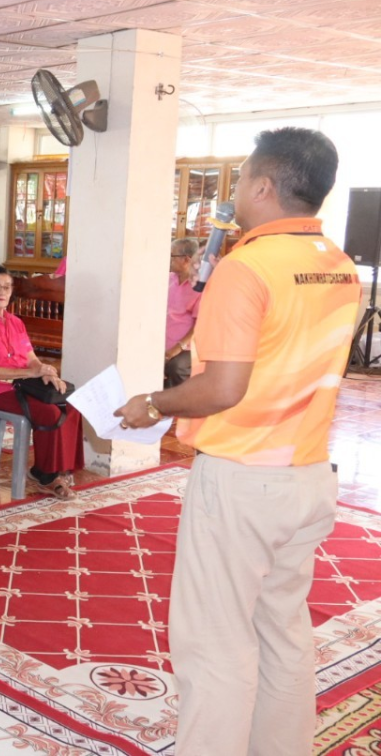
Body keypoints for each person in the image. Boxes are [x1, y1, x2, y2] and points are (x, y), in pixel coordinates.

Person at [116, 128, 359, 756]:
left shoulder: (246, 266)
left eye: (242, 177)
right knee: (282, 630)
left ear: (263, 185)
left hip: (244, 478)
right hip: (307, 474)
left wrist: (154, 405)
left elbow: (223, 388)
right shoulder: (338, 266)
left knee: (215, 642)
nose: (234, 192)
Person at [0, 267, 83, 498]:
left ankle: (57, 469)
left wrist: (46, 372)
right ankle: (47, 477)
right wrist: (31, 374)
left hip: (24, 384)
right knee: (49, 413)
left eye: (6, 287)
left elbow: (32, 360)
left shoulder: (16, 322)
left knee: (71, 404)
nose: (1, 291)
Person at [165, 238, 201, 388]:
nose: (168, 259)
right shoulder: (168, 279)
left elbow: (199, 325)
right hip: (161, 342)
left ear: (186, 260)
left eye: (172, 256)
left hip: (185, 347)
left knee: (176, 367)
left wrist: (177, 348)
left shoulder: (198, 286)